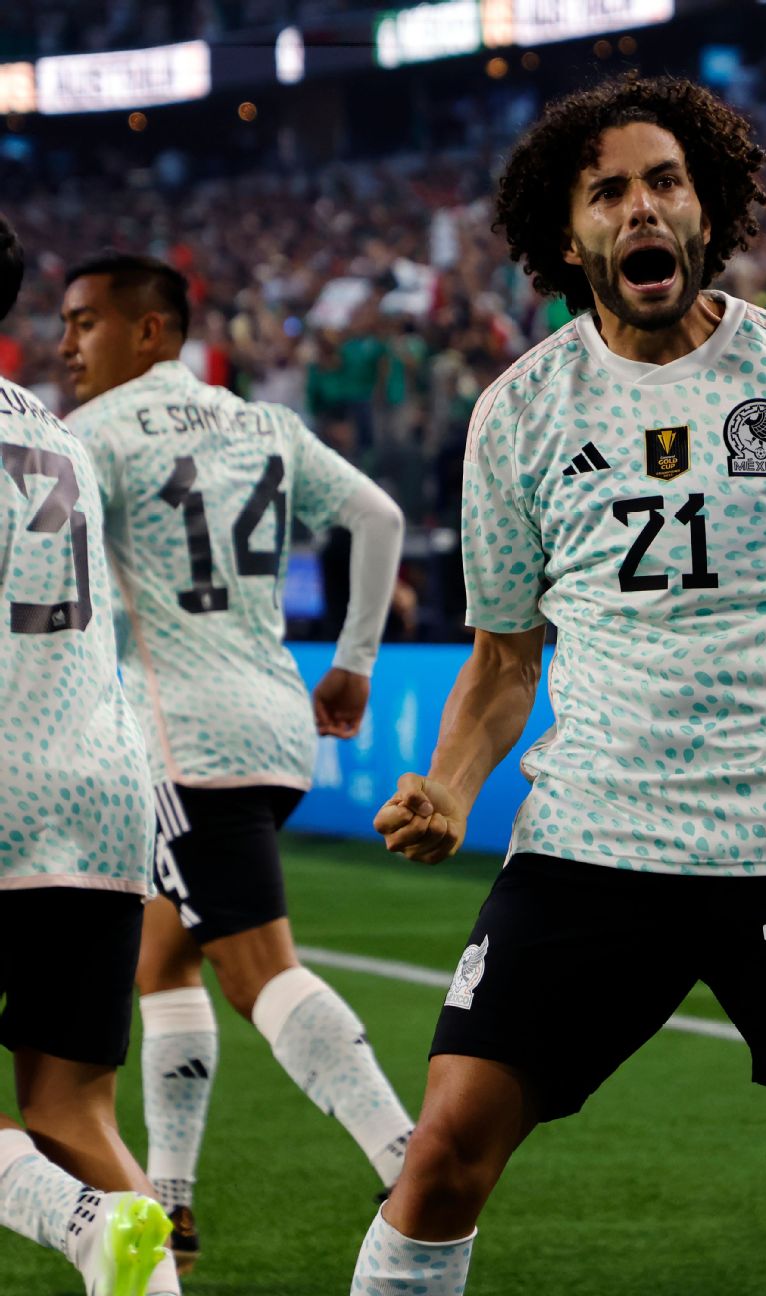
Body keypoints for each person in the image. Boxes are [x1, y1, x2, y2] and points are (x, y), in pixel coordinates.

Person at [354, 75, 766, 1296]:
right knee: (438, 1159)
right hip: (594, 838)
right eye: (609, 192)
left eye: (665, 182)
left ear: (708, 208)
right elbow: (501, 657)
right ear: (567, 231)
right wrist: (448, 784)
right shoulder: (518, 413)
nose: (642, 209)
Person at [58, 251, 415, 1274]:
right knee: (162, 956)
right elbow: (378, 518)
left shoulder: (88, 440)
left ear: (151, 331)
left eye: (86, 324)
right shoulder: (263, 424)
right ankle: (169, 1199)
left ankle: (408, 1156)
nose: (69, 346)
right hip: (273, 722)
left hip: (177, 739)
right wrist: (352, 666)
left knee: (260, 967)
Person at [0, 218, 180, 1295]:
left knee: (69, 1166)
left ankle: (73, 1226)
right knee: (72, 1112)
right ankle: (123, 1255)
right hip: (103, 797)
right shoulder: (60, 434)